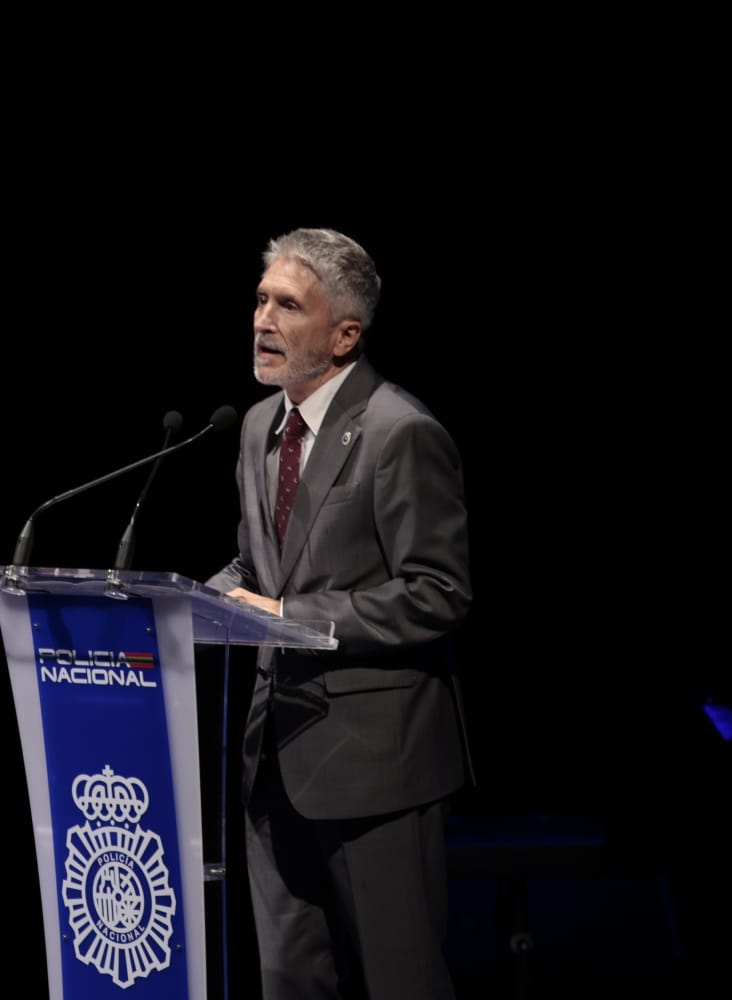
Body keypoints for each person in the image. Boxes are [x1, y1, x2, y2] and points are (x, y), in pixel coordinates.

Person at [207, 227, 473, 999]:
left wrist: (294, 615)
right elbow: (256, 567)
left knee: (403, 982)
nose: (261, 320)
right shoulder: (259, 426)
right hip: (273, 756)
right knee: (290, 980)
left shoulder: (401, 432)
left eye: (288, 305)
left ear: (345, 333)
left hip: (378, 764)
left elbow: (439, 591)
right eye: (260, 300)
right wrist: (180, 605)